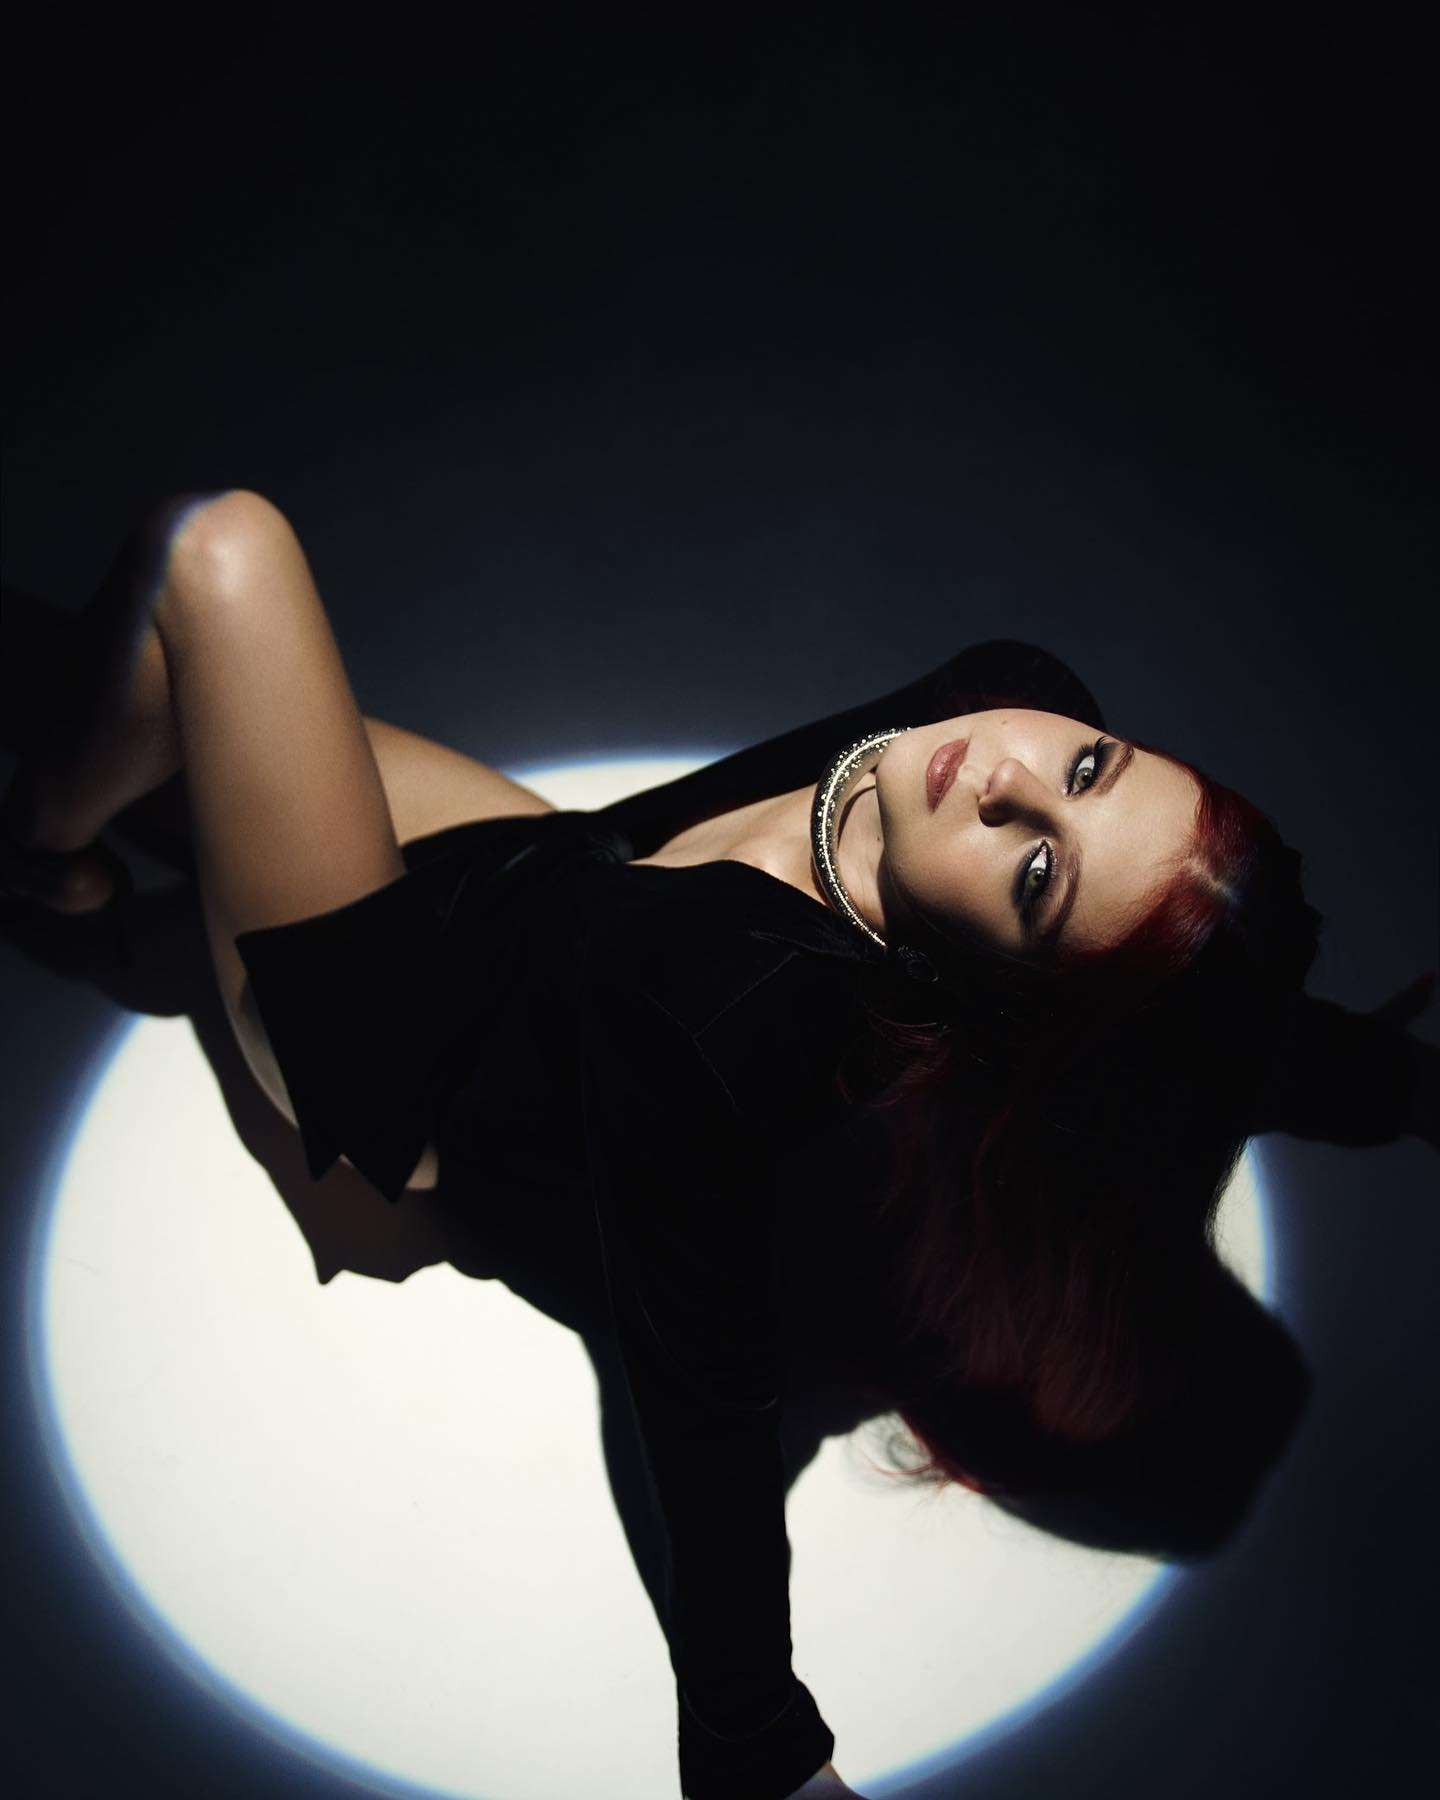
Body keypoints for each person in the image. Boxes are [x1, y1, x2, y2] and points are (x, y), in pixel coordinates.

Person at [1, 490, 1434, 1800]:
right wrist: (1400, 1085)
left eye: (1037, 873)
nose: (1005, 777)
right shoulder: (1009, 708)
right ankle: (69, 827)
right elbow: (1175, 1032)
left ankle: (40, 848)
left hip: (387, 1049)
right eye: (1090, 765)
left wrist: (756, 1743)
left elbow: (700, 1395)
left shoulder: (715, 1011)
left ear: (995, 994)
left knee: (216, 559)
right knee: (137, 686)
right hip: (539, 872)